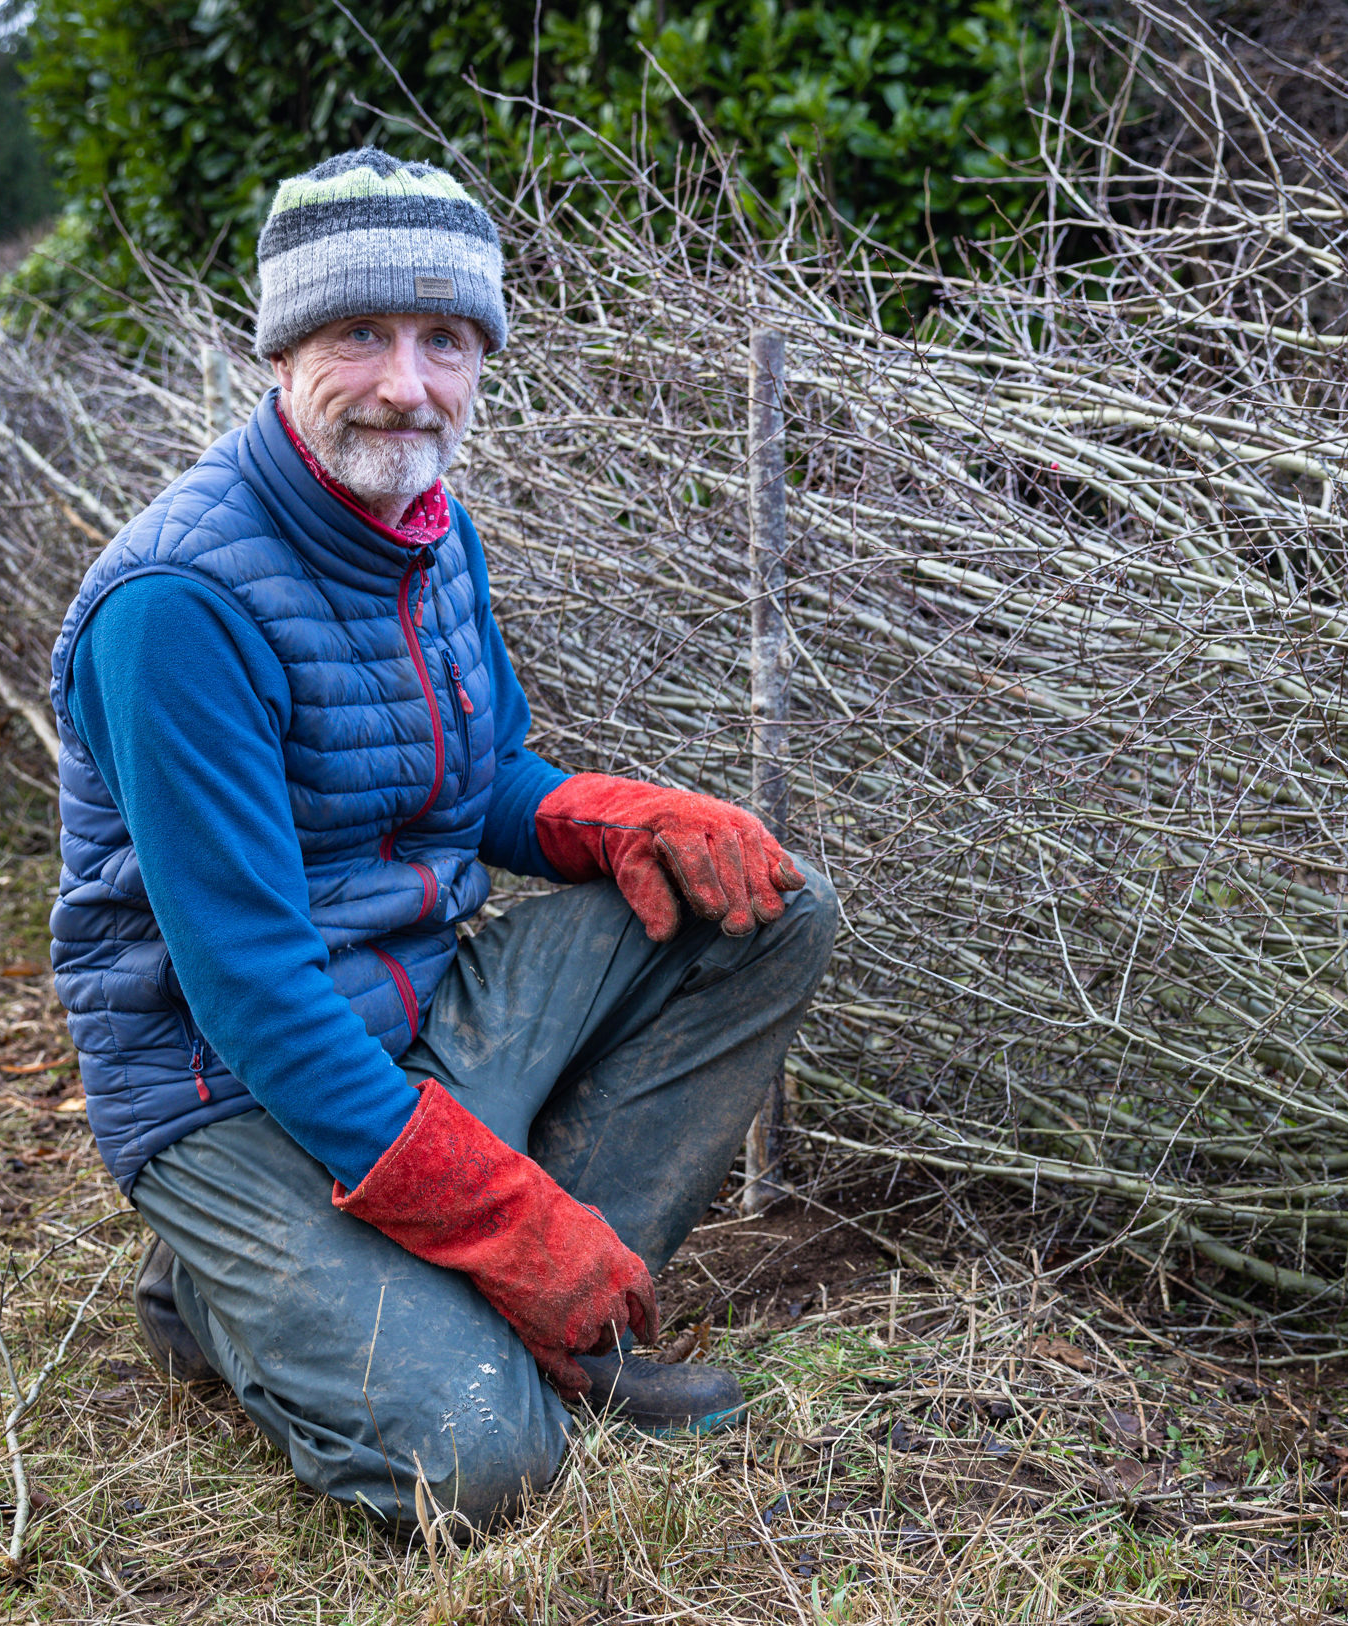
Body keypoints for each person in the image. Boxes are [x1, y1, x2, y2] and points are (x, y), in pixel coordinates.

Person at [47, 148, 836, 1530]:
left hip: (411, 1012)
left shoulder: (429, 530)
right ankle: (227, 1292)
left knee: (770, 908)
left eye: (447, 339)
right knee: (481, 1462)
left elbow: (478, 780)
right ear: (284, 345)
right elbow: (253, 993)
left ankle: (543, 1314)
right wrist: (504, 1220)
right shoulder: (175, 606)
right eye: (361, 332)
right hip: (230, 1086)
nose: (408, 383)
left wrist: (607, 810)